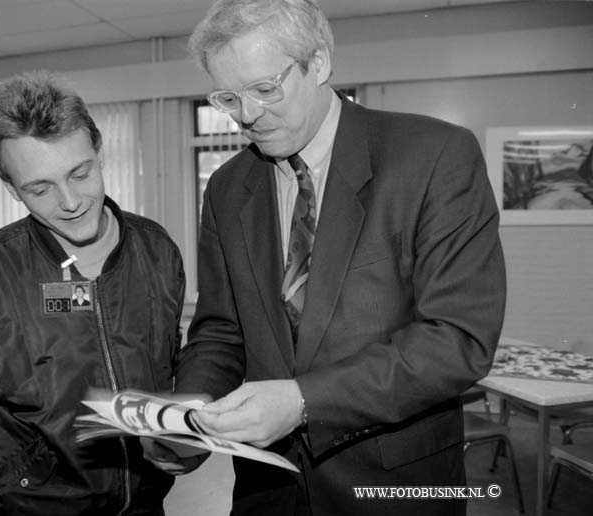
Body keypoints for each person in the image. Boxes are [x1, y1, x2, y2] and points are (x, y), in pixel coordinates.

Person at [168, 1, 507, 515]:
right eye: (227, 97)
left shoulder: (434, 156)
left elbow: (457, 339)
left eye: (264, 89)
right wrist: (188, 412)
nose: (246, 115)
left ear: (320, 63)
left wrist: (304, 401)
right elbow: (221, 330)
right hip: (269, 489)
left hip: (394, 486)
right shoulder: (226, 187)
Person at [0, 70, 187, 516]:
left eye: (80, 173)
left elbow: (166, 363)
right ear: (11, 187)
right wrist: (21, 472)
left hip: (144, 501)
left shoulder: (156, 251)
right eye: (39, 188)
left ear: (99, 151)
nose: (69, 201)